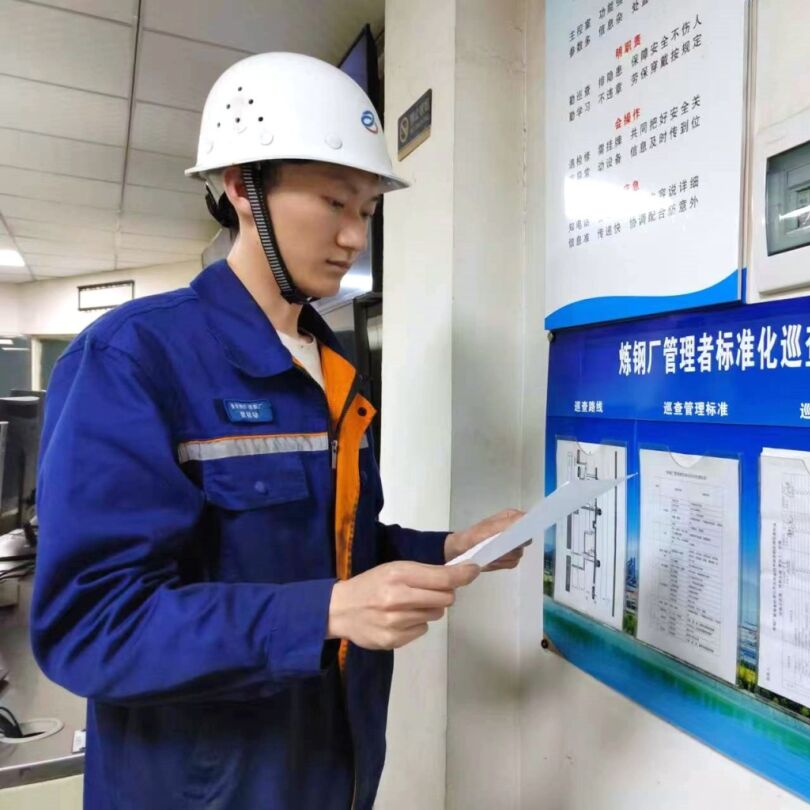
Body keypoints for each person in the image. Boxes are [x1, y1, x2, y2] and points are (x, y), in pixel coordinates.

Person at [30, 51, 524, 810]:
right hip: (196, 792)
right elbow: (91, 625)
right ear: (241, 186)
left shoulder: (332, 367)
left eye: (368, 211)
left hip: (332, 772)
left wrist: (448, 548)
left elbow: (333, 547)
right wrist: (326, 613)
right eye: (333, 202)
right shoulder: (134, 358)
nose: (354, 237)